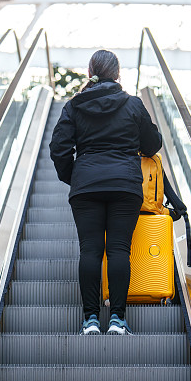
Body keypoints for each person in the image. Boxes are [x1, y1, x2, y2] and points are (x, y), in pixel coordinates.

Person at [49, 49, 162, 335]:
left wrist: (74, 176)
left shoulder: (74, 106)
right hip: (125, 185)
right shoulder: (133, 105)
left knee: (90, 250)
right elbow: (152, 145)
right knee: (118, 250)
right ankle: (117, 320)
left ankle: (90, 320)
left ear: (90, 74)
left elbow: (59, 148)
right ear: (117, 74)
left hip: (86, 185)